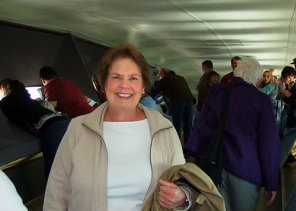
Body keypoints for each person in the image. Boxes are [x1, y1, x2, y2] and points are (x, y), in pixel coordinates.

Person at [44, 44, 191, 211]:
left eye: (133, 78)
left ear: (143, 86)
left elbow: (184, 184)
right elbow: (56, 193)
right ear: (104, 83)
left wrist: (183, 199)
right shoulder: (79, 128)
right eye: (116, 77)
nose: (124, 85)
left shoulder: (164, 130)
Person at [185, 57, 280, 211]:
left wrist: (196, 154)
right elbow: (269, 143)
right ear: (257, 80)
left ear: (236, 74)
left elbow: (201, 127)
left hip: (215, 166)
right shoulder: (261, 101)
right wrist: (271, 182)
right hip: (246, 171)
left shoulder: (217, 93)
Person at [0, 79, 70, 178]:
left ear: (5, 89)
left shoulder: (6, 102)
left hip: (53, 127)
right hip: (66, 121)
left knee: (55, 178)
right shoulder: (31, 100)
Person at [150, 68, 194, 144]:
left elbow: (155, 92)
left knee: (177, 125)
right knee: (188, 125)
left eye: (160, 76)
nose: (159, 78)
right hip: (189, 101)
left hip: (178, 102)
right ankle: (188, 149)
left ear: (163, 74)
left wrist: (145, 95)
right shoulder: (181, 77)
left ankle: (176, 146)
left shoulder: (166, 78)